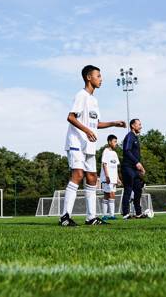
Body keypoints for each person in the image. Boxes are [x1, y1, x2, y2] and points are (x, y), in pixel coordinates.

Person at [60, 66, 126, 227]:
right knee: (77, 174)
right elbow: (70, 117)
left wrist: (113, 123)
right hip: (76, 142)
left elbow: (96, 123)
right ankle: (64, 217)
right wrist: (87, 130)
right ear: (89, 77)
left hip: (89, 145)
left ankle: (91, 218)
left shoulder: (94, 100)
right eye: (98, 76)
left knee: (91, 178)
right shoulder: (81, 95)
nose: (101, 79)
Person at [122, 118, 148, 219]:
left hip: (135, 169)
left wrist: (141, 166)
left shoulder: (136, 137)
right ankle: (125, 214)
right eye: (139, 124)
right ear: (133, 126)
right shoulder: (130, 136)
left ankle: (138, 213)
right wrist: (136, 162)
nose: (141, 126)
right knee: (128, 189)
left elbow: (135, 154)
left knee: (138, 190)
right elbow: (126, 150)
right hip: (127, 167)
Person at [100, 135, 122, 220]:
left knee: (112, 195)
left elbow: (115, 166)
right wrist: (107, 176)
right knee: (107, 194)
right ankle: (105, 215)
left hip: (113, 178)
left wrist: (117, 178)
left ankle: (111, 215)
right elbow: (104, 164)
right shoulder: (105, 151)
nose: (116, 143)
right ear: (109, 142)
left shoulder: (114, 153)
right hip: (107, 178)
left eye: (116, 142)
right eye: (114, 141)